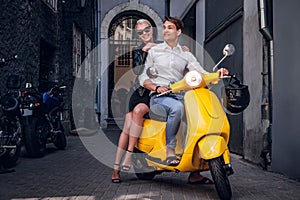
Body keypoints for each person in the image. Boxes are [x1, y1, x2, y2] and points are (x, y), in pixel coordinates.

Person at [139, 16, 229, 183]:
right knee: (177, 109)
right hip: (160, 97)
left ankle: (194, 172)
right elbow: (144, 76)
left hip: (182, 95)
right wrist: (157, 87)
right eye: (164, 27)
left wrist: (217, 74)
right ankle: (170, 151)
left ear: (178, 32)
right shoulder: (155, 52)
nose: (166, 30)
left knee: (198, 116)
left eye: (170, 27)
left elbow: (200, 72)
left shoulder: (186, 54)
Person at [111, 19, 158, 183]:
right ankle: (116, 169)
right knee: (127, 126)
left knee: (136, 115)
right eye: (140, 32)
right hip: (138, 93)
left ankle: (129, 157)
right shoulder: (138, 50)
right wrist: (145, 51)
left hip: (154, 93)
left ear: (151, 30)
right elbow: (138, 71)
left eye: (146, 30)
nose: (144, 34)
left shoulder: (162, 48)